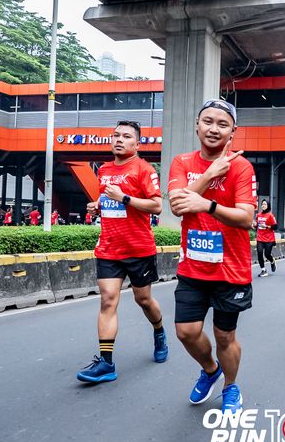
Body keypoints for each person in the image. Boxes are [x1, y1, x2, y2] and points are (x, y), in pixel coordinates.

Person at [168, 99, 256, 414]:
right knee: (186, 332)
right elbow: (177, 205)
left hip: (230, 269)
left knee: (224, 335)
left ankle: (231, 387)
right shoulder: (181, 162)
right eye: (208, 121)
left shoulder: (242, 167)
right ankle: (210, 370)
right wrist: (210, 173)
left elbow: (246, 218)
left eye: (222, 124)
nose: (214, 128)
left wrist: (207, 205)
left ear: (233, 131)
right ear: (197, 125)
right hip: (193, 266)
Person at [77, 119, 167, 384]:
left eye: (126, 136)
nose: (119, 139)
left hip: (139, 248)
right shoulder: (104, 169)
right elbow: (108, 200)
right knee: (107, 300)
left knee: (144, 300)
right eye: (116, 135)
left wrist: (124, 198)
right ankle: (106, 363)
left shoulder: (144, 169)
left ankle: (159, 331)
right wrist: (98, 205)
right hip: (109, 247)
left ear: (137, 144)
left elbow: (156, 206)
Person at [254, 199, 277, 277]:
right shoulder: (258, 215)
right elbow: (257, 225)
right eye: (262, 204)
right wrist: (254, 225)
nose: (263, 205)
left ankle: (272, 261)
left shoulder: (270, 215)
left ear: (268, 206)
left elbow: (275, 226)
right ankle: (263, 270)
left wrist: (267, 226)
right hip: (260, 238)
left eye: (265, 204)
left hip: (269, 238)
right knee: (259, 252)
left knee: (267, 254)